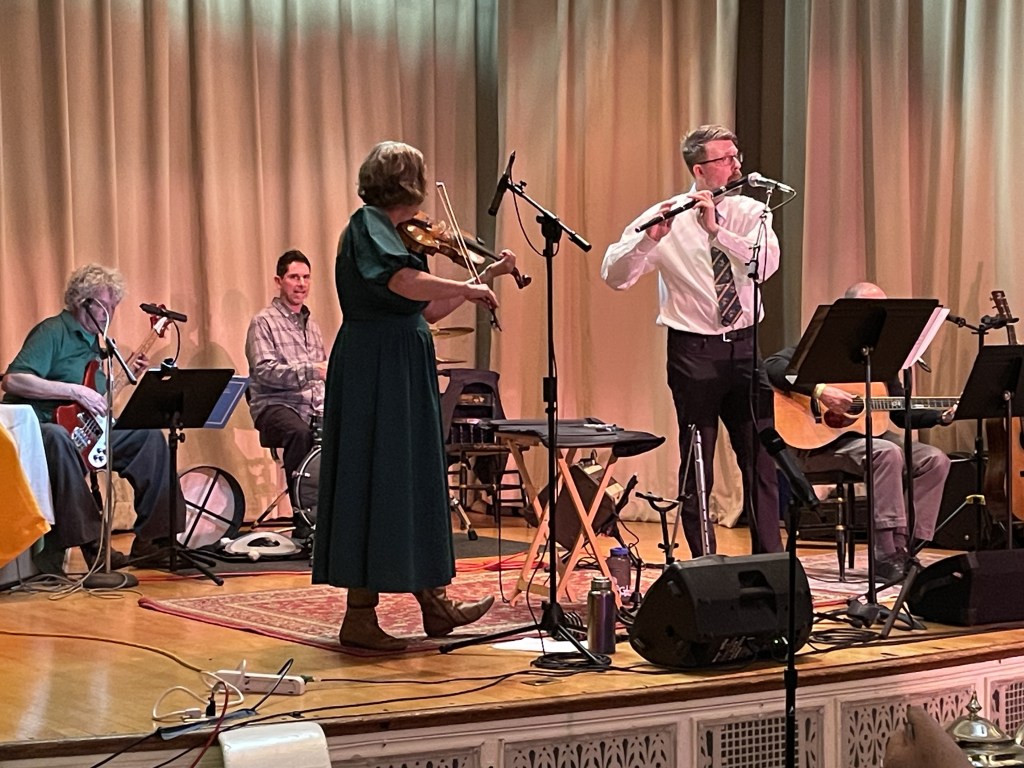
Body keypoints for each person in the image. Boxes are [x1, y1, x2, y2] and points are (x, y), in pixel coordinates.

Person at [313, 140, 519, 651]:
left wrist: (482, 276)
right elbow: (402, 282)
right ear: (409, 180)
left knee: (414, 478)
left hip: (402, 361)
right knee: (376, 477)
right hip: (374, 366)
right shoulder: (368, 225)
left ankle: (435, 605)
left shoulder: (400, 233)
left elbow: (422, 310)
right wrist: (467, 287)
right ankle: (360, 616)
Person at [601, 124, 783, 557]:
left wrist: (719, 231)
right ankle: (704, 560)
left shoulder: (750, 212)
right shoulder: (668, 214)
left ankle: (769, 559)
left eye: (736, 156)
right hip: (693, 352)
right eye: (726, 159)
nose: (737, 165)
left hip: (744, 344)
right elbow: (614, 275)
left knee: (759, 456)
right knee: (697, 457)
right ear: (700, 170)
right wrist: (648, 240)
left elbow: (767, 265)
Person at [764, 282, 954, 582]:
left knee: (935, 459)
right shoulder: (822, 348)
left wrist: (940, 415)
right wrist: (822, 392)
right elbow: (772, 367)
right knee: (887, 453)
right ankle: (883, 554)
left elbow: (901, 414)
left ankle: (907, 546)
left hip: (869, 442)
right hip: (816, 447)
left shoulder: (882, 361)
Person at [2, 264, 183, 575]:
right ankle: (93, 547)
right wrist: (72, 389)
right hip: (38, 428)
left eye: (113, 306)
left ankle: (154, 539)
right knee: (59, 440)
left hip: (79, 429)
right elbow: (14, 380)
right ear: (81, 301)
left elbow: (94, 402)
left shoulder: (95, 345)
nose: (109, 312)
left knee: (147, 437)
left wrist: (128, 373)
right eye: (103, 305)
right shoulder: (53, 331)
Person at [245, 249, 327, 522]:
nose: (301, 283)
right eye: (294, 277)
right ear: (278, 281)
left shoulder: (312, 325)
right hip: (274, 406)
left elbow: (324, 376)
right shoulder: (263, 322)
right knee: (298, 433)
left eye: (306, 277)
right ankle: (303, 517)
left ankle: (336, 517)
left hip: (313, 406)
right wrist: (313, 370)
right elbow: (265, 371)